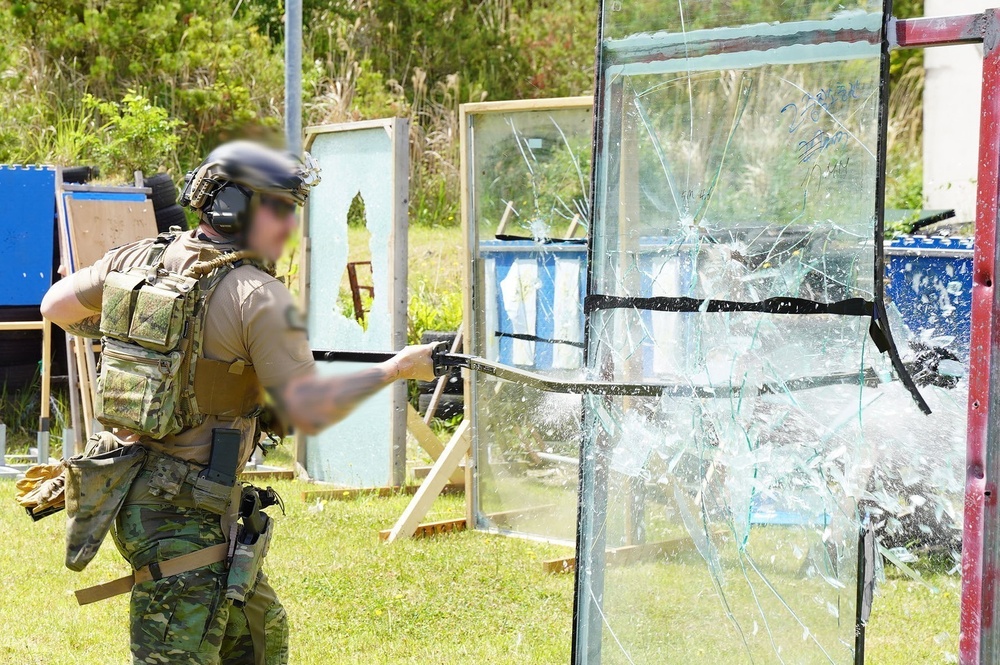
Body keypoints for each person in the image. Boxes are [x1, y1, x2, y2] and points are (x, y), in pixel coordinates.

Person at [40, 140, 436, 664]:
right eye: (280, 210)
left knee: (258, 636)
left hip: (135, 492)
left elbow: (57, 306)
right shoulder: (260, 296)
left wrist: (149, 338)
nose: (288, 228)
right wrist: (397, 369)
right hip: (184, 514)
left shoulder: (138, 258)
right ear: (237, 208)